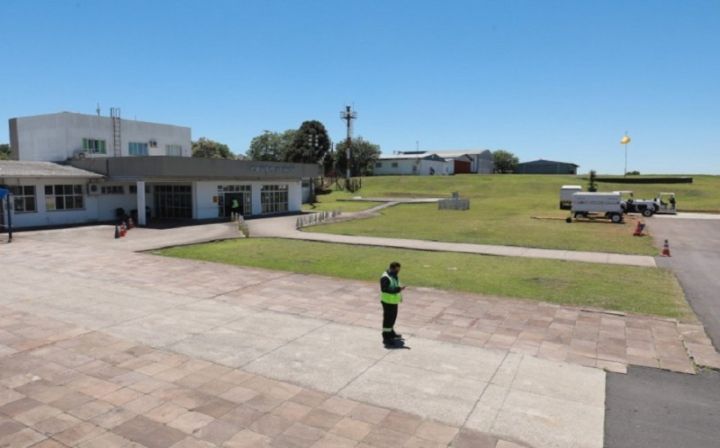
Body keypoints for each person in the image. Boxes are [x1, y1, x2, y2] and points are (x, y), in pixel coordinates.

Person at [380, 261, 406, 345]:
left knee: (393, 318)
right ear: (391, 268)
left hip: (393, 301)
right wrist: (398, 289)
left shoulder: (394, 275)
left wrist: (399, 291)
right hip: (387, 302)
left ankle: (391, 333)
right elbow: (384, 289)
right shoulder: (385, 277)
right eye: (397, 270)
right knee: (388, 319)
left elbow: (395, 285)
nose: (398, 271)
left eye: (399, 270)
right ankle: (386, 337)